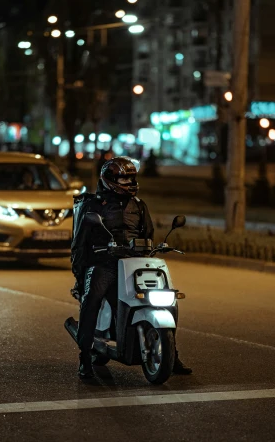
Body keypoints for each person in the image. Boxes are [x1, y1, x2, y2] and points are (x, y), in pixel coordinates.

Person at [71, 156, 192, 380]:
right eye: (124, 179)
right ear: (109, 180)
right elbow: (79, 244)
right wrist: (80, 275)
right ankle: (84, 359)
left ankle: (170, 353)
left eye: (131, 178)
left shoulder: (139, 206)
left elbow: (148, 236)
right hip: (104, 264)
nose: (129, 183)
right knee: (92, 301)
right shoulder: (93, 205)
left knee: (167, 299)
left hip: (133, 265)